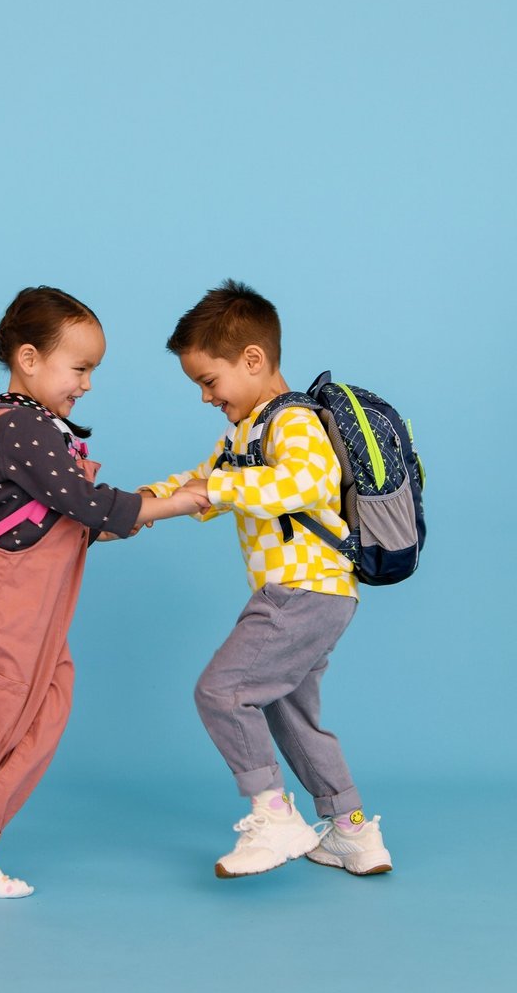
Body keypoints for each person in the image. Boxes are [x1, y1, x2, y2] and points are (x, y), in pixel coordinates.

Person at [0, 286, 208, 898]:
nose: (87, 383)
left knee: (46, 711)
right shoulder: (18, 425)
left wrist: (132, 516)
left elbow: (73, 519)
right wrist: (176, 503)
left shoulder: (47, 429)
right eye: (81, 367)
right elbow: (86, 502)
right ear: (31, 358)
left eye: (94, 370)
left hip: (44, 601)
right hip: (8, 598)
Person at [140, 279, 392, 878]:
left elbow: (306, 485)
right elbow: (196, 480)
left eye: (208, 380)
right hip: (319, 593)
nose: (205, 397)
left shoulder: (293, 420)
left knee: (222, 691)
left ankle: (273, 812)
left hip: (301, 591)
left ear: (253, 360)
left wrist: (217, 489)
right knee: (288, 712)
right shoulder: (244, 432)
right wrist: (136, 505)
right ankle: (352, 832)